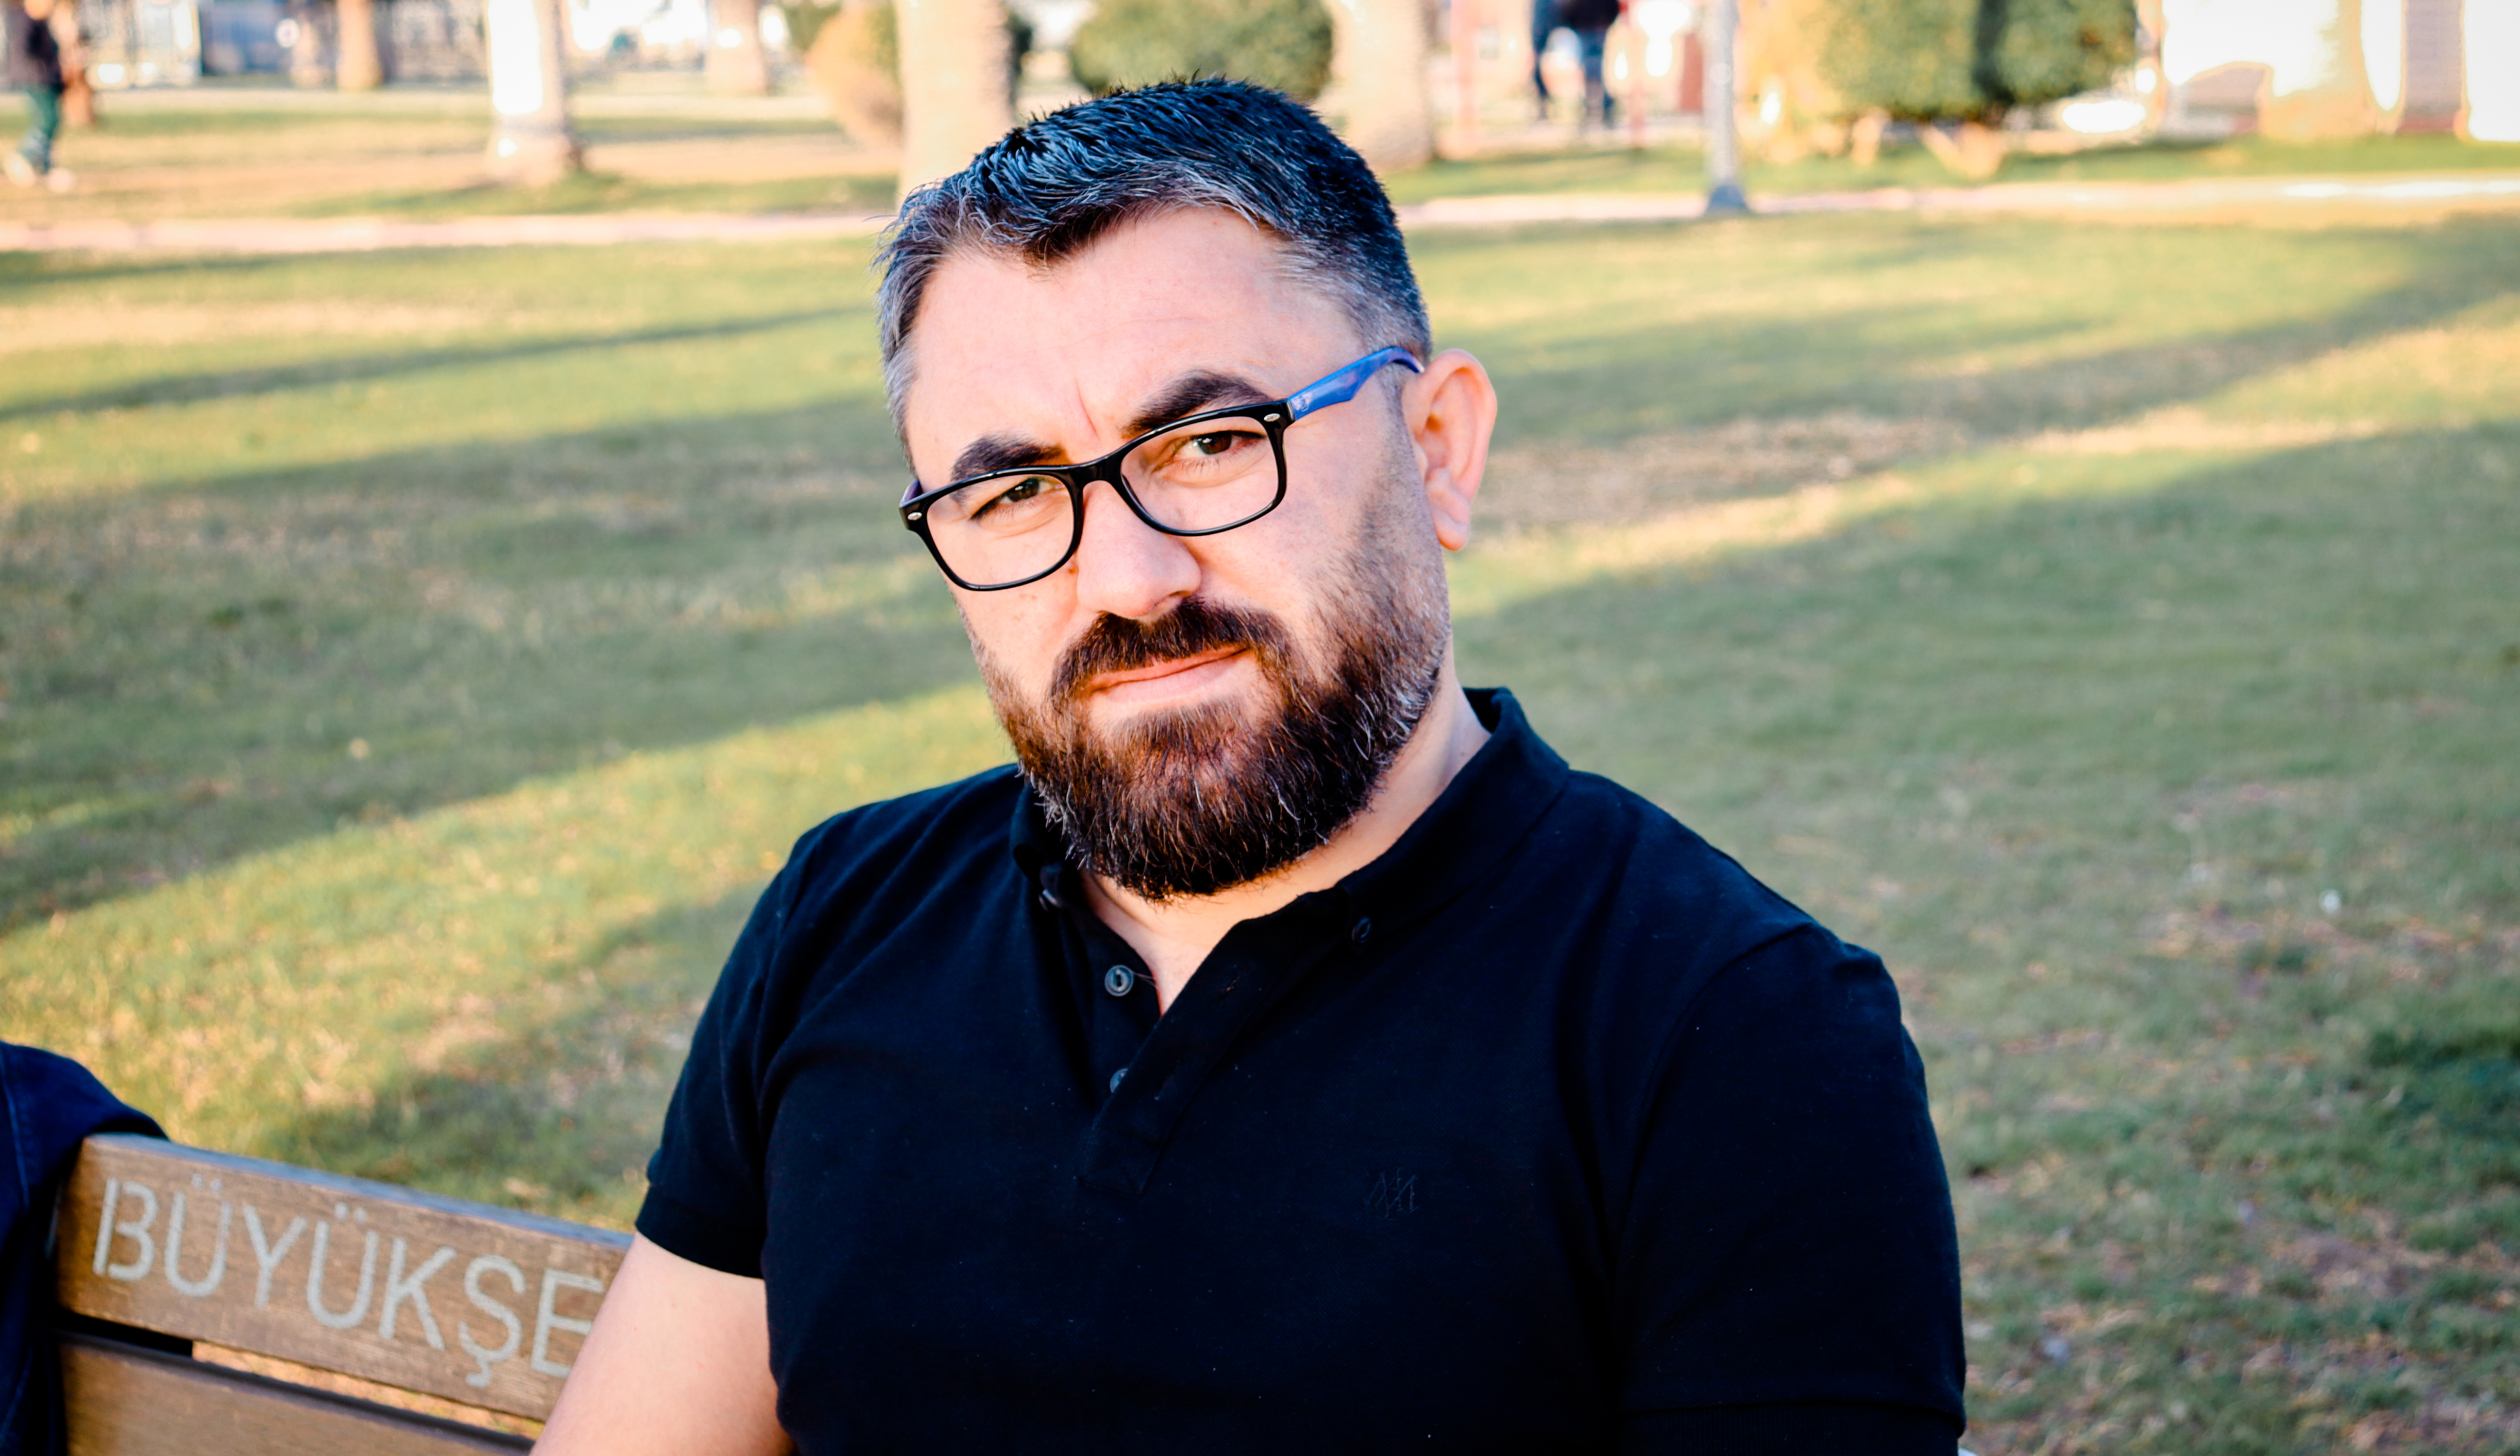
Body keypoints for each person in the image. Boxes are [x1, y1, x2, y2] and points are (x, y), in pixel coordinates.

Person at [536, 80, 1964, 1456]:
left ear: (1437, 448)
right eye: (1014, 492)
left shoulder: (1733, 1037)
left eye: (1211, 443)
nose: (1129, 579)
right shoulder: (847, 916)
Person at [7, 0, 72, 191]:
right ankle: (24, 156)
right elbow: (25, 51)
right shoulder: (25, 21)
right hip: (36, 79)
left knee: (53, 121)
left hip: (47, 78)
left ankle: (45, 167)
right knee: (48, 119)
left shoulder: (40, 22)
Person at [1558, 0, 1622, 131]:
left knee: (1588, 69)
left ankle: (1591, 107)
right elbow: (1614, 7)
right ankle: (1604, 105)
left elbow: (1571, 8)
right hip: (1599, 30)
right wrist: (1607, 24)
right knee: (1598, 69)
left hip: (1585, 31)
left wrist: (1574, 25)